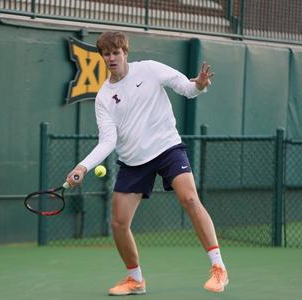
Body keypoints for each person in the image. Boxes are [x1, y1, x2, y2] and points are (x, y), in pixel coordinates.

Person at [66, 31, 228, 295]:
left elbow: (185, 88)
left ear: (125, 52)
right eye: (106, 54)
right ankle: (135, 279)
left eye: (116, 53)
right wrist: (82, 166)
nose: (111, 58)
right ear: (102, 58)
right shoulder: (104, 97)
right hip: (133, 161)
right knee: (119, 223)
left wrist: (198, 84)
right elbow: (108, 141)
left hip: (167, 148)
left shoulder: (150, 70)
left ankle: (218, 268)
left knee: (189, 199)